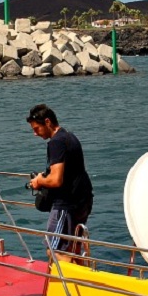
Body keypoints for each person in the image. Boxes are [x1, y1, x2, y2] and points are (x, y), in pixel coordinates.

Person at [26, 104, 93, 262]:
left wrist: (39, 181)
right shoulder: (70, 137)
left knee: (54, 251)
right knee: (74, 249)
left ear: (47, 122)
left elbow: (56, 180)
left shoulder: (56, 142)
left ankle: (70, 282)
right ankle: (81, 283)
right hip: (83, 199)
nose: (35, 134)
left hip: (66, 204)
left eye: (36, 128)